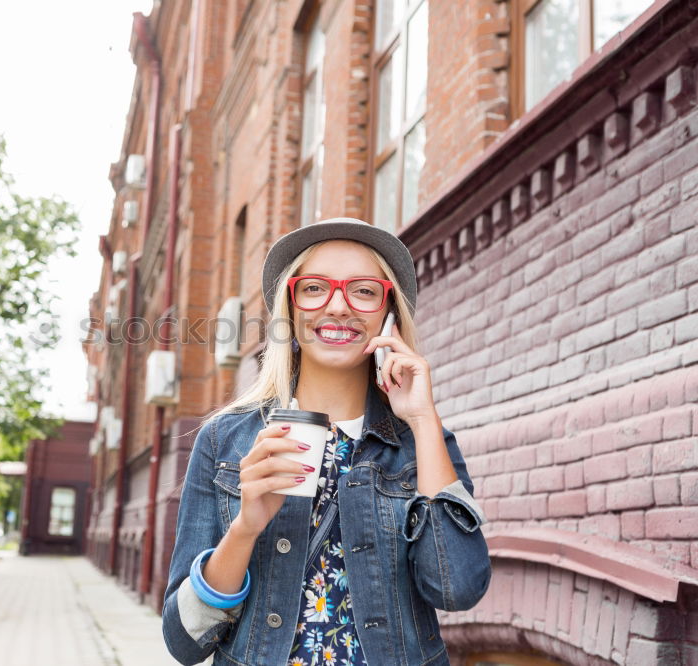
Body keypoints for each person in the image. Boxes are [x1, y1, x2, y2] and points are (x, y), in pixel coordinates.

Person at [162, 218, 491, 665]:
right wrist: (246, 527)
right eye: (315, 288)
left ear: (388, 313)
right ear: (291, 307)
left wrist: (423, 419)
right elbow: (184, 642)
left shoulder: (423, 440)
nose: (338, 306)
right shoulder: (225, 440)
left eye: (363, 290)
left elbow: (457, 589)